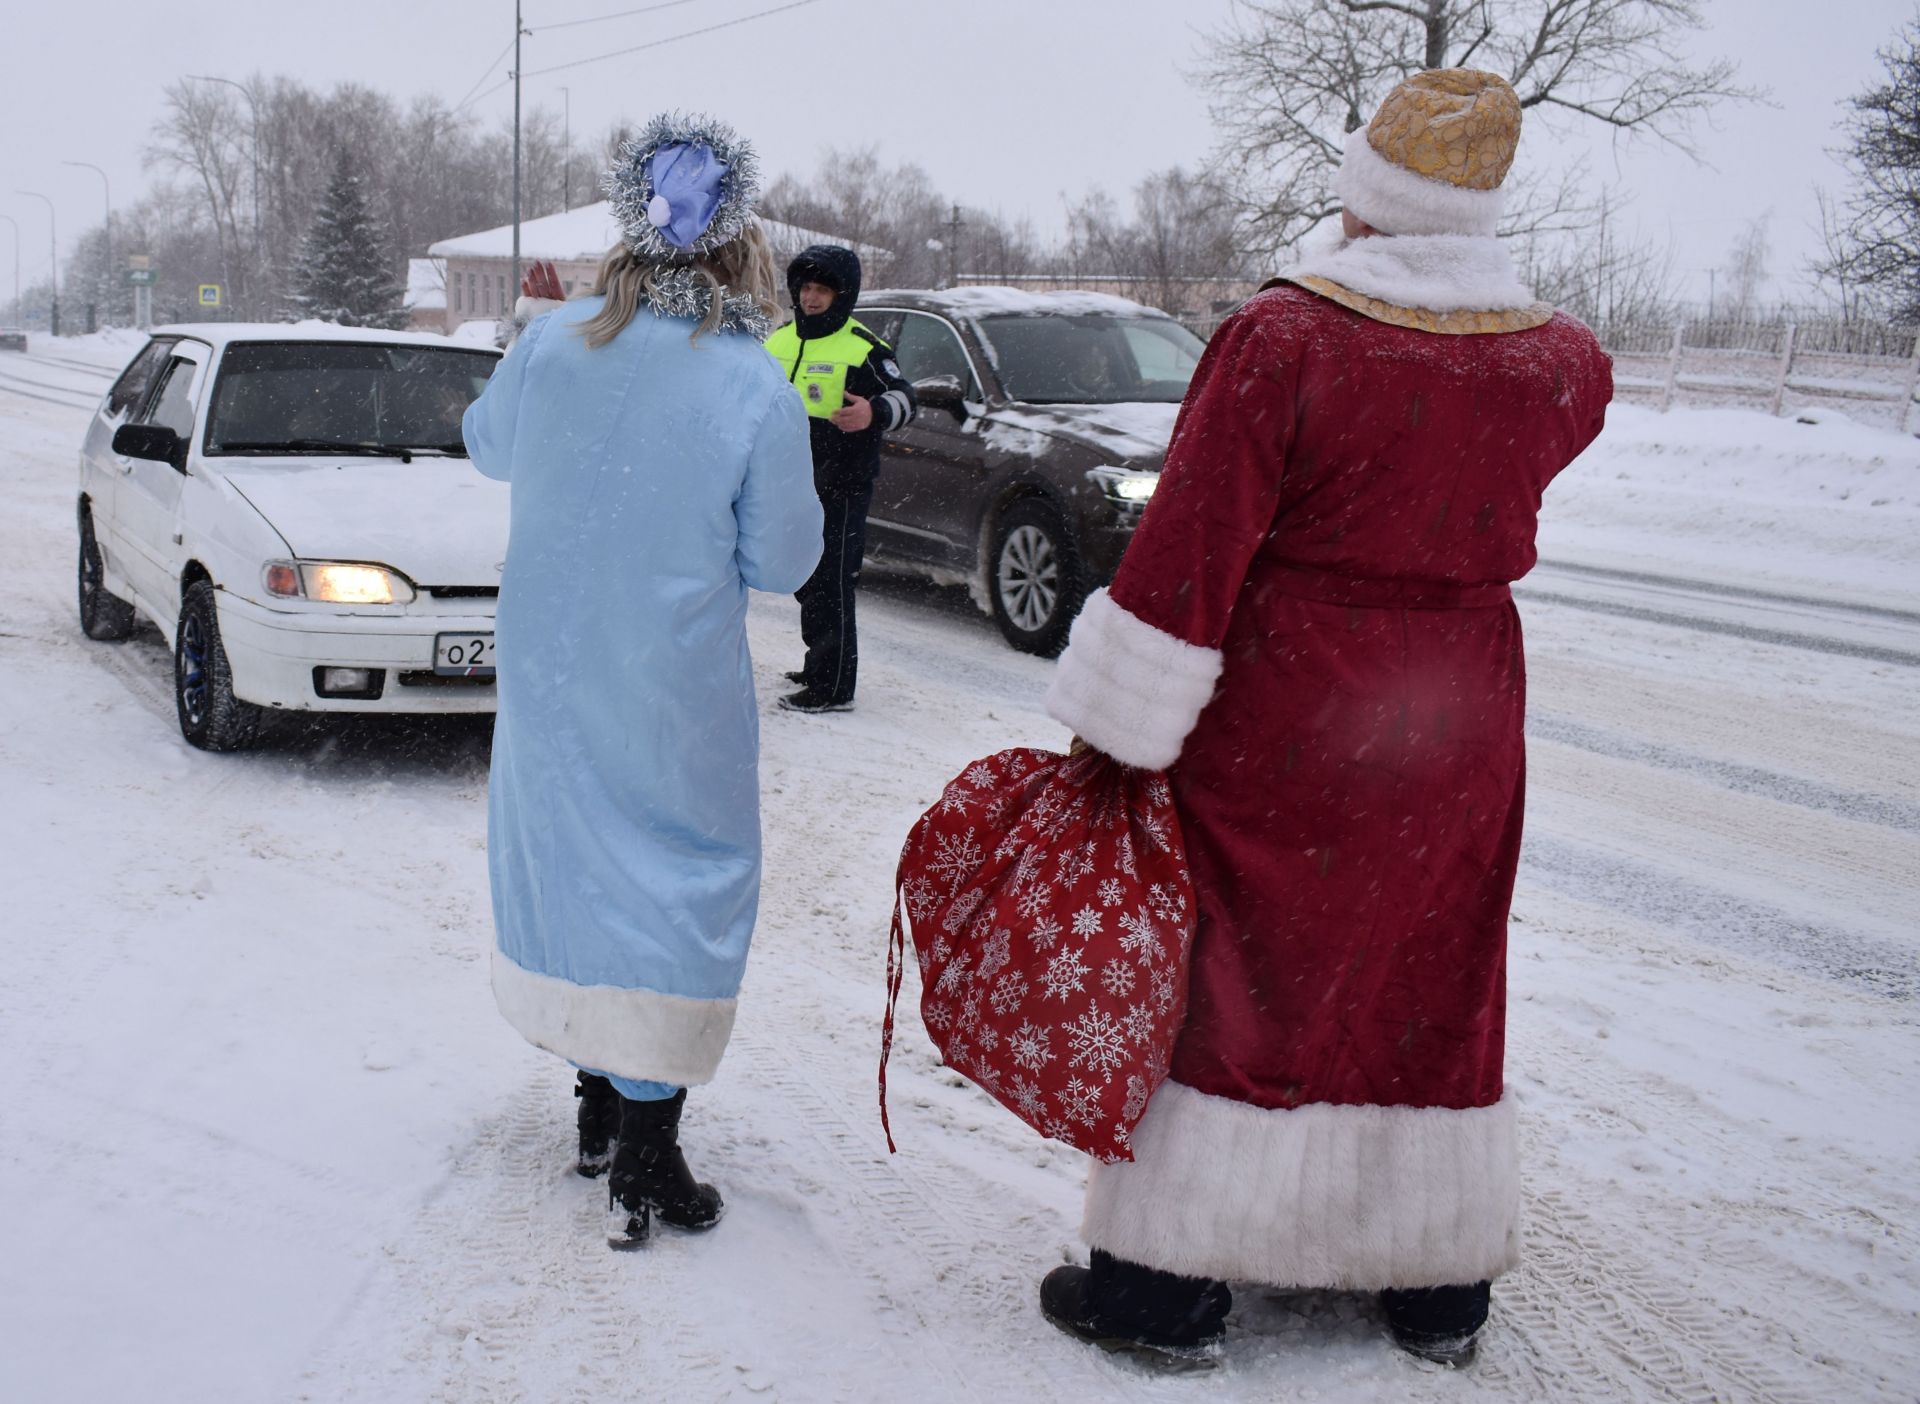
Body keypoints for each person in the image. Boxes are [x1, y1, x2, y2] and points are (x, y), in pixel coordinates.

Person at [1035, 70, 1613, 1365]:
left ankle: (1165, 1287)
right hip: (1463, 710)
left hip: (1289, 699)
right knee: (1433, 959)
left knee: (1244, 961)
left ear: (1363, 196)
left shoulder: (1286, 337)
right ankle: (1431, 1282)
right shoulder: (1560, 359)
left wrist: (1119, 726)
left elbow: (1192, 539)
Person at [462, 113, 823, 1249]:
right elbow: (786, 557)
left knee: (569, 857)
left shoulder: (555, 344)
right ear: (738, 249)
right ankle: (650, 1150)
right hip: (669, 678)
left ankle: (597, 1104)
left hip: (553, 664)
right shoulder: (748, 382)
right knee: (679, 874)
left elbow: (486, 444)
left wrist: (539, 340)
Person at [763, 245, 916, 713]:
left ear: (841, 296)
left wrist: (874, 411)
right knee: (805, 579)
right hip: (791, 485)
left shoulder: (863, 347)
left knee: (832, 581)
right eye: (805, 288)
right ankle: (818, 666)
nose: (810, 298)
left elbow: (907, 399)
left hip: (842, 485)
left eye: (821, 290)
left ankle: (832, 687)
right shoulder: (778, 343)